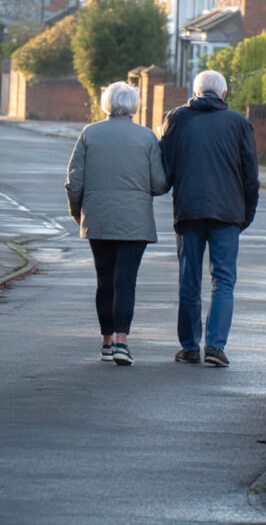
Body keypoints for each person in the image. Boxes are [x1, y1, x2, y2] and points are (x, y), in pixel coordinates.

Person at [160, 70, 259, 368]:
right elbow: (250, 176)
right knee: (224, 280)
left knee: (189, 279)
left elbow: (164, 166)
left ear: (195, 92)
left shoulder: (177, 119)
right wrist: (246, 214)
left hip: (189, 210)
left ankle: (189, 346)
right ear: (224, 95)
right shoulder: (239, 123)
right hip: (228, 213)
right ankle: (215, 346)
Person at [65, 81, 168, 366]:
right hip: (135, 222)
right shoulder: (147, 138)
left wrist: (77, 212)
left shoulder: (89, 133)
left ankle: (106, 343)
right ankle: (122, 343)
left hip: (98, 218)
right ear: (134, 106)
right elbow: (159, 184)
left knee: (104, 282)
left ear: (107, 103)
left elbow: (74, 182)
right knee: (126, 282)